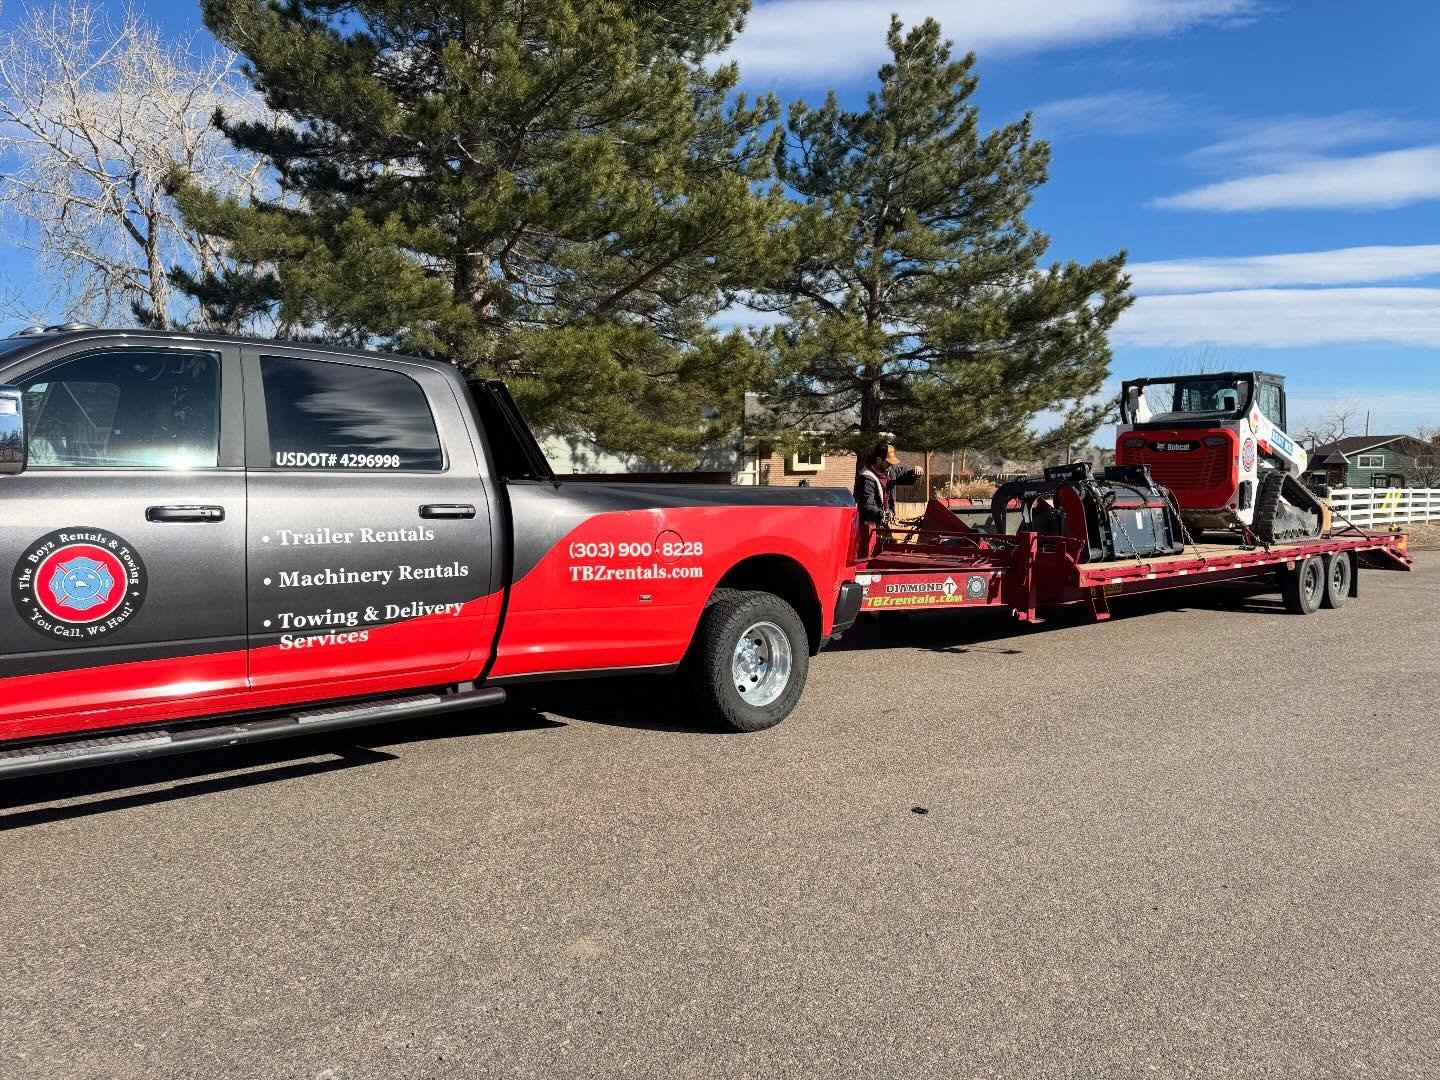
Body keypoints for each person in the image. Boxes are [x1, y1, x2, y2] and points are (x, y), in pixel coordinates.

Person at [856, 441, 920, 556]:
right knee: (870, 557)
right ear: (879, 459)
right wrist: (882, 514)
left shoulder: (890, 471)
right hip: (868, 527)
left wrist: (915, 473)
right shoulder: (867, 478)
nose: (891, 464)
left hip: (882, 524)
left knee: (889, 552)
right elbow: (867, 506)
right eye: (888, 462)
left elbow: (904, 475)